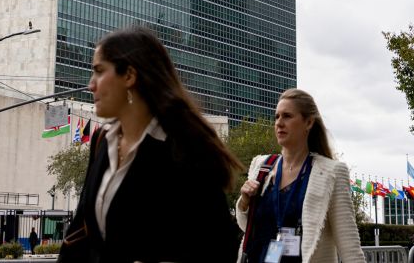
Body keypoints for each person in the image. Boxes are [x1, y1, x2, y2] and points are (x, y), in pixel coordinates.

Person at [58, 26, 241, 263]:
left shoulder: (185, 149)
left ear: (129, 76)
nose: (91, 84)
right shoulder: (102, 140)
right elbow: (80, 232)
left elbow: (217, 246)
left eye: (99, 71)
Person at [236, 88, 363, 263]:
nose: (279, 123)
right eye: (277, 116)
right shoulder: (261, 165)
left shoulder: (331, 172)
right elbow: (246, 226)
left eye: (287, 116)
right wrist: (244, 202)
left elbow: (350, 249)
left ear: (308, 122)